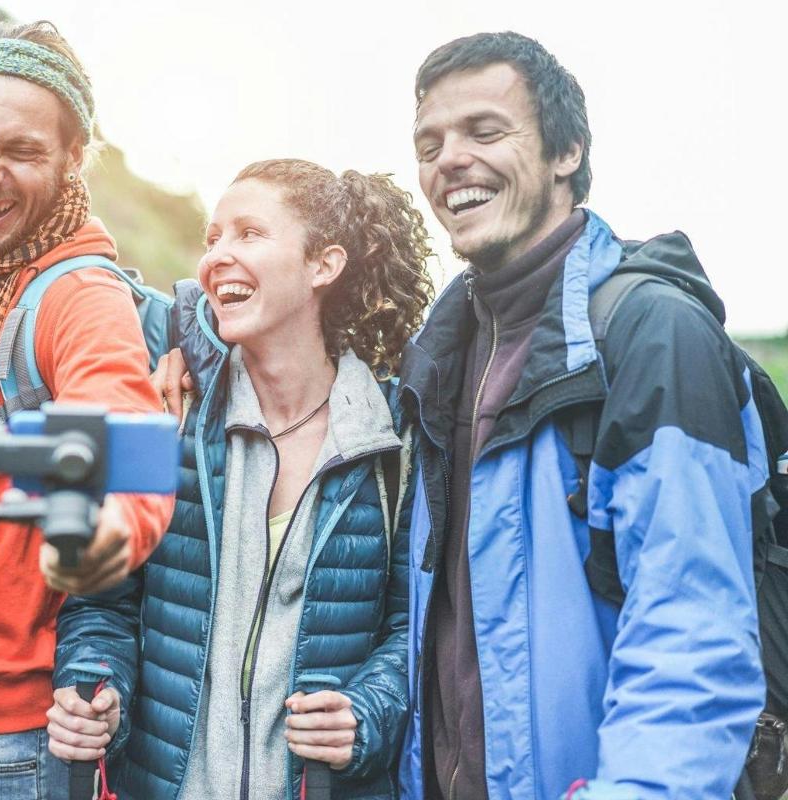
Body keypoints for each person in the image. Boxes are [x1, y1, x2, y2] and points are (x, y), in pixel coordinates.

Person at [397, 33, 765, 799]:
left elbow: (691, 639)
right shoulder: (436, 360)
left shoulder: (652, 333)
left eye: (485, 131)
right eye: (429, 144)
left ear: (567, 150)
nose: (449, 160)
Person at [49, 159, 435, 799]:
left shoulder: (394, 439)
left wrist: (365, 713)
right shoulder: (168, 413)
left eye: (249, 234)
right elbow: (102, 600)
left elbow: (415, 626)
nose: (217, 258)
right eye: (212, 238)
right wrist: (97, 689)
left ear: (323, 266)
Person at [0, 19, 174, 800]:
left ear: (70, 159)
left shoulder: (75, 292)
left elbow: (129, 441)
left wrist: (107, 531)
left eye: (21, 151)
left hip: (3, 742)